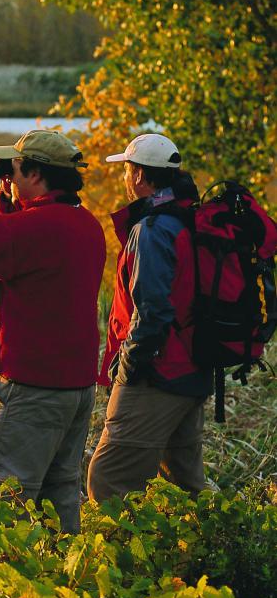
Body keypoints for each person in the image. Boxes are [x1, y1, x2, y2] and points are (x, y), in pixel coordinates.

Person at [0, 128, 106, 533]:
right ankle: (64, 589)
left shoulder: (38, 230)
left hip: (32, 393)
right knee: (57, 504)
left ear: (34, 174)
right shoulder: (83, 224)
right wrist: (9, 201)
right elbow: (16, 250)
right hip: (73, 391)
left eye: (12, 170)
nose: (6, 179)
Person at [87, 132, 213, 504]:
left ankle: (117, 560)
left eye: (127, 169)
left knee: (108, 481)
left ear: (140, 175)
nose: (126, 178)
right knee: (184, 487)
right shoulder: (190, 218)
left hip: (157, 373)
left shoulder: (153, 229)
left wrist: (127, 367)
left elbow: (154, 311)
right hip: (194, 369)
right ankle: (208, 556)